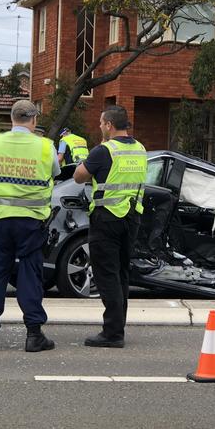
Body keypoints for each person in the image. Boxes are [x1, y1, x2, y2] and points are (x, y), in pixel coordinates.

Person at [0, 100, 60, 352]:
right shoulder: (45, 146)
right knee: (30, 276)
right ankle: (34, 334)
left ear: (12, 118)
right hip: (31, 222)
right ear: (33, 120)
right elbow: (54, 173)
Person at [73, 105, 147, 348]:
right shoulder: (140, 149)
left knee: (106, 274)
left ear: (110, 125)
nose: (100, 127)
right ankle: (118, 325)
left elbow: (79, 176)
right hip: (132, 217)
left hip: (107, 218)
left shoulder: (104, 151)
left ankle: (113, 332)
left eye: (102, 123)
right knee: (122, 273)